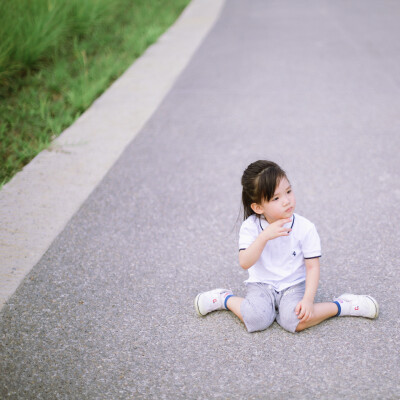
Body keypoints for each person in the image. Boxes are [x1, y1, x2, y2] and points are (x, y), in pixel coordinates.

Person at [194, 160, 379, 333]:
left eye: (288, 191)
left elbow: (312, 266)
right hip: (261, 285)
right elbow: (244, 262)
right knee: (256, 319)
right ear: (258, 207)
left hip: (293, 285)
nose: (286, 200)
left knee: (294, 321)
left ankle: (343, 305)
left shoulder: (305, 227)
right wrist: (264, 237)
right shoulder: (250, 226)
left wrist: (307, 300)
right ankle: (223, 299)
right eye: (275, 198)